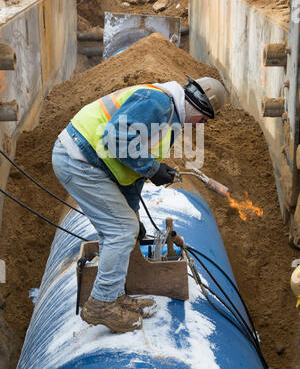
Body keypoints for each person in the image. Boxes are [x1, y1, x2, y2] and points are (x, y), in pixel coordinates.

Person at [52, 75, 227, 333]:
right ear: (199, 105)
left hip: (88, 162)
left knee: (126, 226)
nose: (200, 126)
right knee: (120, 231)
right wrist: (152, 168)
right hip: (79, 160)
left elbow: (131, 174)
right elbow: (116, 139)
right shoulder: (159, 103)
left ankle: (114, 294)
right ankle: (101, 304)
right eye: (203, 120)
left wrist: (134, 212)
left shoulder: (170, 121)